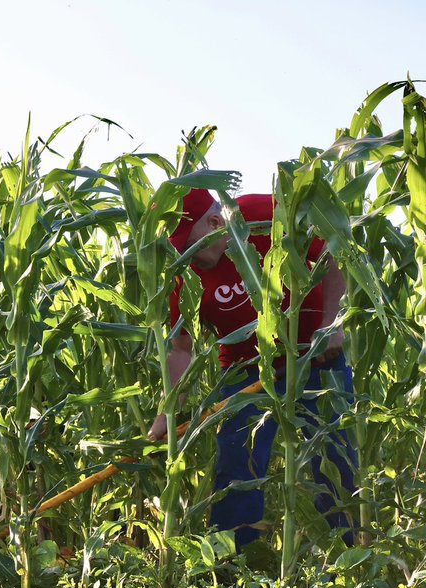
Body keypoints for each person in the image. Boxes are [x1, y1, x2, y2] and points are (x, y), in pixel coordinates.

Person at [148, 188, 358, 550]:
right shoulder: (184, 274)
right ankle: (232, 566)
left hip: (315, 357)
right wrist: (168, 411)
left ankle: (346, 558)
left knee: (333, 459)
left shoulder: (263, 215)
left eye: (190, 247)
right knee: (236, 465)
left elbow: (332, 252)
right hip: (248, 375)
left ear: (216, 223)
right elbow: (181, 347)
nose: (186, 257)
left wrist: (332, 323)